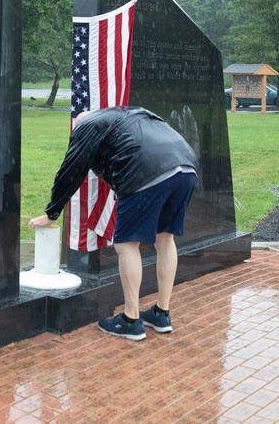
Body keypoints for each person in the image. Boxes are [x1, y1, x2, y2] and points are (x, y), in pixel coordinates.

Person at [28, 106, 198, 341]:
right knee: (165, 239)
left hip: (145, 172)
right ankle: (161, 313)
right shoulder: (128, 114)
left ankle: (130, 319)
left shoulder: (87, 126)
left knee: (126, 245)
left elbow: (72, 169)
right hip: (187, 167)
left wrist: (52, 212)